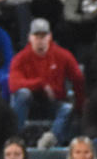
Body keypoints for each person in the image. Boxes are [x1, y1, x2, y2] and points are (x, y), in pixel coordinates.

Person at [7, 20, 84, 150]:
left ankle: (50, 139)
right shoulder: (20, 58)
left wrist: (79, 107)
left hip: (53, 101)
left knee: (67, 108)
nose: (40, 40)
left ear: (50, 37)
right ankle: (16, 139)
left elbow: (78, 79)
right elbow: (13, 84)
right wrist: (41, 83)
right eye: (36, 36)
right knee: (22, 94)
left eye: (43, 36)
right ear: (30, 37)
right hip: (30, 105)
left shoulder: (62, 55)